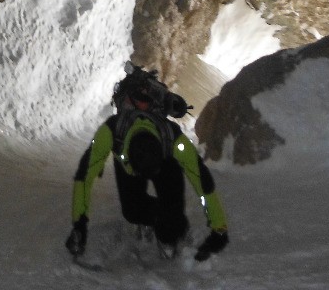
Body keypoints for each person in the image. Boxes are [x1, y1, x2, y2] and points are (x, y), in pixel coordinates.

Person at [65, 66, 229, 261]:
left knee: (174, 223)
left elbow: (201, 178)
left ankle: (171, 226)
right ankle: (161, 219)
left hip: (165, 163)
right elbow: (85, 174)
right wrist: (79, 225)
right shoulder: (112, 131)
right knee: (133, 212)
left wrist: (219, 229)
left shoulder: (173, 138)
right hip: (132, 164)